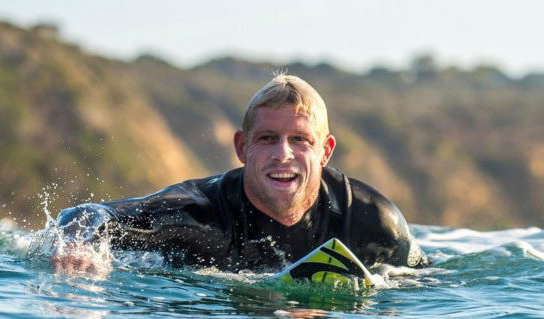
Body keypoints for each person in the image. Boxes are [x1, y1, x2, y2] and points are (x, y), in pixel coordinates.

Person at [52, 74, 428, 275]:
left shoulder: (370, 221)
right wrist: (77, 246)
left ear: (325, 151)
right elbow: (89, 215)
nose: (283, 154)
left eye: (300, 140)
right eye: (267, 139)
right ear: (242, 148)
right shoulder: (199, 216)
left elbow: (425, 283)